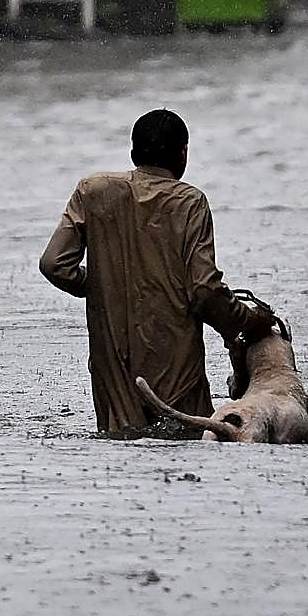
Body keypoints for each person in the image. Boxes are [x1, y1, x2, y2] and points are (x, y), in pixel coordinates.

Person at [39, 109, 275, 435]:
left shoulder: (92, 192)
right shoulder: (190, 203)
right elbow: (205, 292)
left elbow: (54, 264)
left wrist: (101, 285)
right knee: (187, 444)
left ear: (134, 152)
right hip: (177, 374)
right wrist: (249, 321)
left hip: (114, 372)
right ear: (183, 155)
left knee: (122, 451)